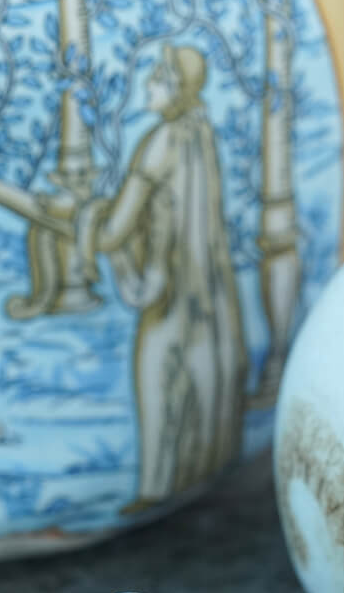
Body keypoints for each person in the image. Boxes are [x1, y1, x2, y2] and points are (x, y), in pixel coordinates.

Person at [78, 45, 247, 514]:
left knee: (155, 379)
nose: (149, 86)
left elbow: (114, 233)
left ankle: (153, 488)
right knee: (199, 378)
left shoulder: (159, 142)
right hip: (206, 289)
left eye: (156, 78)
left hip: (166, 287)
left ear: (175, 87)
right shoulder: (199, 132)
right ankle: (195, 472)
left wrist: (88, 219)